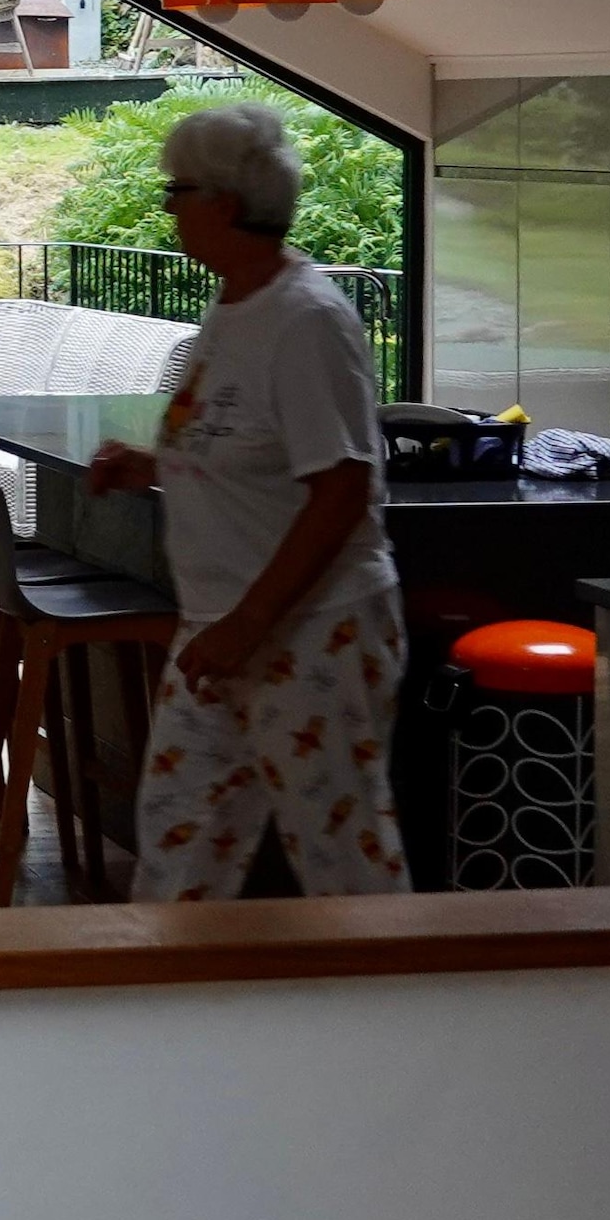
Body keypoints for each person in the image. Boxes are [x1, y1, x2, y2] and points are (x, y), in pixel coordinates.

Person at [81, 102, 404, 897]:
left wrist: (247, 625)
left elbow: (341, 489)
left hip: (311, 629)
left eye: (176, 191)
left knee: (342, 860)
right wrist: (153, 466)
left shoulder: (306, 321)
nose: (169, 208)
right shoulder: (235, 307)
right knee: (180, 843)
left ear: (222, 204)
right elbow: (248, 451)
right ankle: (170, 977)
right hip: (219, 631)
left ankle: (386, 981)